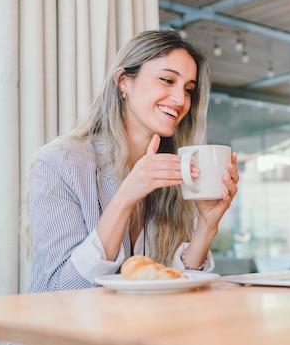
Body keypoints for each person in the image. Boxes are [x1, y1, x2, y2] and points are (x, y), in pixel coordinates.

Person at [26, 29, 239, 292]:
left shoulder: (171, 172)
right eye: (166, 80)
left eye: (188, 89)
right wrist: (126, 197)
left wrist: (207, 224)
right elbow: (60, 289)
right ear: (124, 81)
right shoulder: (60, 163)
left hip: (137, 331)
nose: (181, 99)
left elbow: (172, 286)